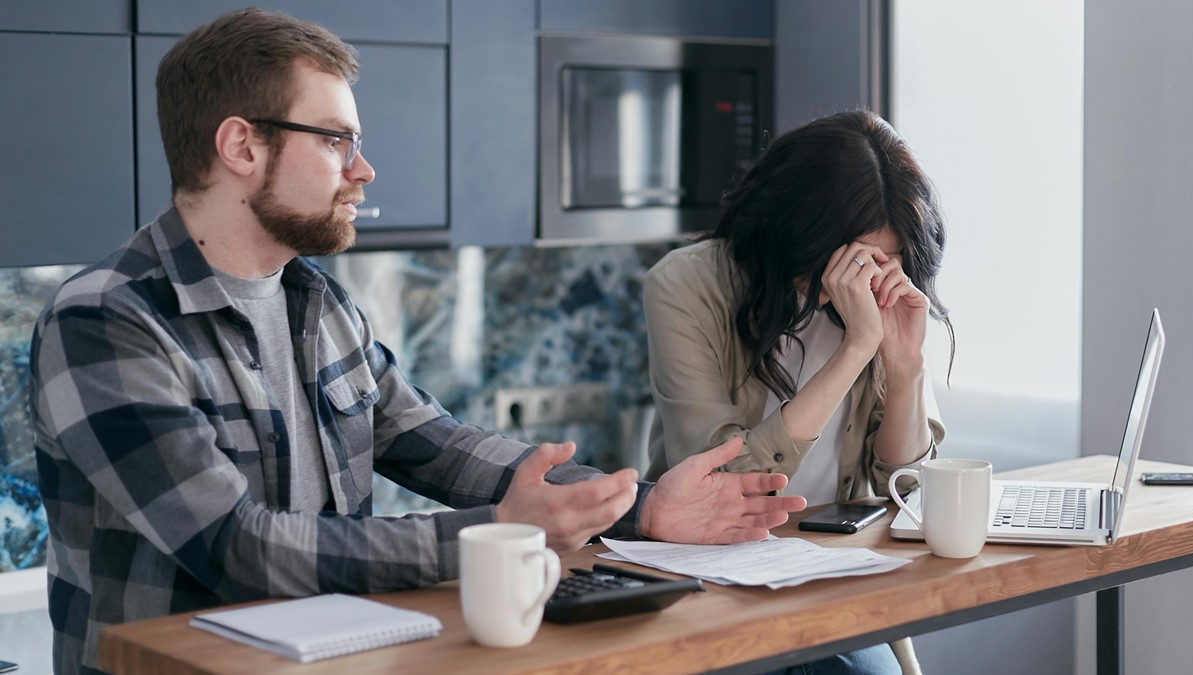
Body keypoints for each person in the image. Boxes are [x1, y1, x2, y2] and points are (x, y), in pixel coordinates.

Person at [27, 9, 807, 673]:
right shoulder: (106, 320)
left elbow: (437, 443)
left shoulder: (319, 301)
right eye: (335, 139)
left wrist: (638, 508)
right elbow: (235, 545)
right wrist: (501, 534)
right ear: (242, 147)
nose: (363, 169)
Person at [642, 110, 951, 675]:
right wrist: (856, 348)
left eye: (890, 261)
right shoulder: (684, 285)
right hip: (711, 566)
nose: (874, 279)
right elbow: (714, 489)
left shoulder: (885, 295)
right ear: (799, 235)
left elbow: (907, 491)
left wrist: (905, 367)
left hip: (829, 567)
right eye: (856, 260)